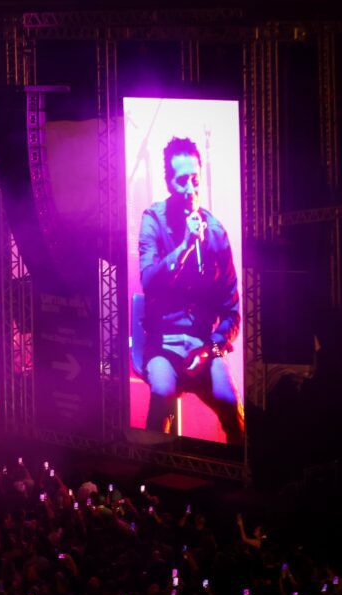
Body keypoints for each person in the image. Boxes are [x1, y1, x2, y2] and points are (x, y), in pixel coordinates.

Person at [137, 137, 245, 444]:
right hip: (163, 344)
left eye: (194, 180)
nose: (190, 189)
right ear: (169, 183)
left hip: (203, 345)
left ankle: (241, 474)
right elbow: (148, 280)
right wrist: (184, 246)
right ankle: (152, 474)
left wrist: (211, 348)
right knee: (162, 395)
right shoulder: (153, 220)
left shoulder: (216, 232)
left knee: (230, 403)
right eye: (182, 181)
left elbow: (232, 309)